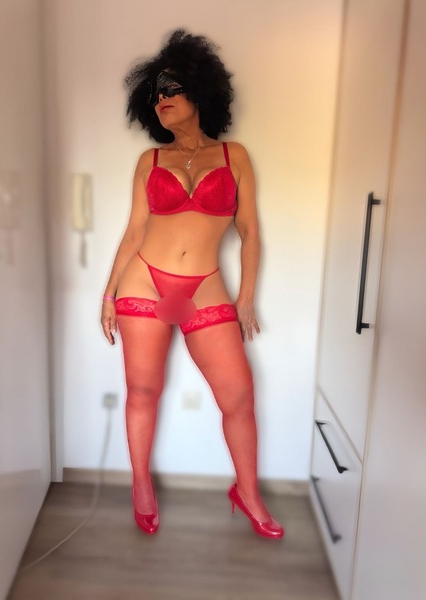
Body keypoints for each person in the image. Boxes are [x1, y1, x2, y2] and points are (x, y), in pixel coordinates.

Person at [101, 29, 284, 539]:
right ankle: (141, 484)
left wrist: (246, 297)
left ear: (200, 93)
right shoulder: (149, 161)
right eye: (154, 94)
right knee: (143, 390)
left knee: (239, 396)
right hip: (144, 280)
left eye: (171, 89)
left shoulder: (234, 156)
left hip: (205, 284)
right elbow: (134, 232)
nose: (161, 99)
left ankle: (247, 492)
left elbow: (250, 232)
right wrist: (109, 293)